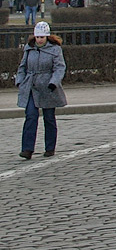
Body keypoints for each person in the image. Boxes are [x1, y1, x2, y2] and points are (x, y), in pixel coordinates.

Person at [15, 21, 67, 159]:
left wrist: (54, 82)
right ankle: (27, 149)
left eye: (42, 37)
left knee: (49, 118)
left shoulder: (55, 49)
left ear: (47, 37)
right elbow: (22, 67)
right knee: (31, 115)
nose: (39, 39)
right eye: (37, 37)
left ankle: (50, 147)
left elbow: (59, 67)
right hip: (31, 86)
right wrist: (20, 81)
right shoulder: (29, 48)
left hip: (48, 87)